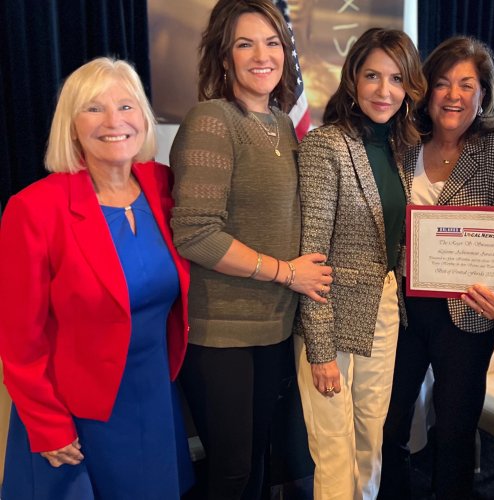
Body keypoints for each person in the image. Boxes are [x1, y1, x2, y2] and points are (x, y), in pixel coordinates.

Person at [0, 57, 193, 499]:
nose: (114, 121)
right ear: (71, 126)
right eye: (93, 109)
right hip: (76, 414)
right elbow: (19, 342)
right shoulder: (34, 210)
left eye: (127, 106)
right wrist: (48, 426)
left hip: (154, 400)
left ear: (144, 119)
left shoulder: (164, 186)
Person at [168, 1, 332, 498]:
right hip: (221, 334)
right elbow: (195, 233)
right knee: (232, 470)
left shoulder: (283, 123)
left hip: (274, 327)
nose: (262, 55)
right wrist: (286, 273)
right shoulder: (213, 121)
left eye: (272, 42)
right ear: (224, 57)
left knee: (261, 460)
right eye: (245, 44)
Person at [379, 36, 494, 500]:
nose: (454, 95)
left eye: (467, 84)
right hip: (401, 308)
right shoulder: (402, 143)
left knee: (455, 430)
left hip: (466, 314)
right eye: (442, 83)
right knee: (388, 419)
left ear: (484, 93)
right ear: (427, 91)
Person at [295, 27, 426, 500]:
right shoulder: (325, 146)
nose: (384, 90)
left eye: (396, 78)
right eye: (372, 75)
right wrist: (321, 347)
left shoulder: (404, 148)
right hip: (332, 314)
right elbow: (310, 254)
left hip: (385, 310)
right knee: (333, 448)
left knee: (371, 441)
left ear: (410, 86)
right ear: (353, 79)